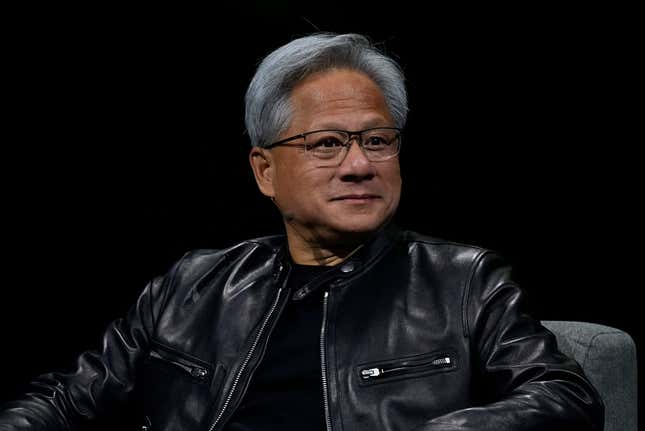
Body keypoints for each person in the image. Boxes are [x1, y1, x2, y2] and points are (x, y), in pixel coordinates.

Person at [0, 32, 603, 431]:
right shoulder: (195, 284)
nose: (360, 163)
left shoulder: (462, 280)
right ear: (265, 171)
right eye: (327, 144)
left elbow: (566, 397)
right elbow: (65, 401)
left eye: (376, 140)